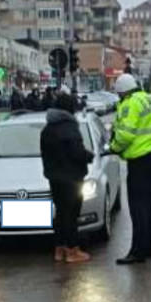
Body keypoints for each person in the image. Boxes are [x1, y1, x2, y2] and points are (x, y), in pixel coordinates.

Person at [110, 74, 151, 265]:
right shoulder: (148, 99)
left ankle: (137, 251)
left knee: (138, 207)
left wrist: (113, 147)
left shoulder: (130, 103)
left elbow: (125, 134)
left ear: (123, 92)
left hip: (139, 160)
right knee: (149, 205)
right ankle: (150, 246)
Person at [41, 93, 94, 263]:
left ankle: (59, 249)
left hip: (54, 178)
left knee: (61, 214)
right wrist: (89, 156)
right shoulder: (69, 127)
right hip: (71, 179)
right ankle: (72, 251)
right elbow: (77, 153)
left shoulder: (47, 129)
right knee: (71, 215)